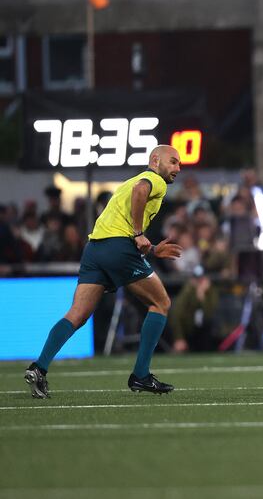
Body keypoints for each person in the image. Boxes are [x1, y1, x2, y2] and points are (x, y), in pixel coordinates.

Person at [24, 145, 184, 398]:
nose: (177, 169)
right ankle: (141, 375)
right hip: (118, 248)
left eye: (179, 165)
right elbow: (140, 192)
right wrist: (140, 234)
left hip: (95, 249)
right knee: (161, 302)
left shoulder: (130, 182)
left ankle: (39, 368)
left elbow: (120, 220)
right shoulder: (154, 180)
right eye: (173, 162)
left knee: (77, 314)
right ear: (155, 161)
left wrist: (151, 248)